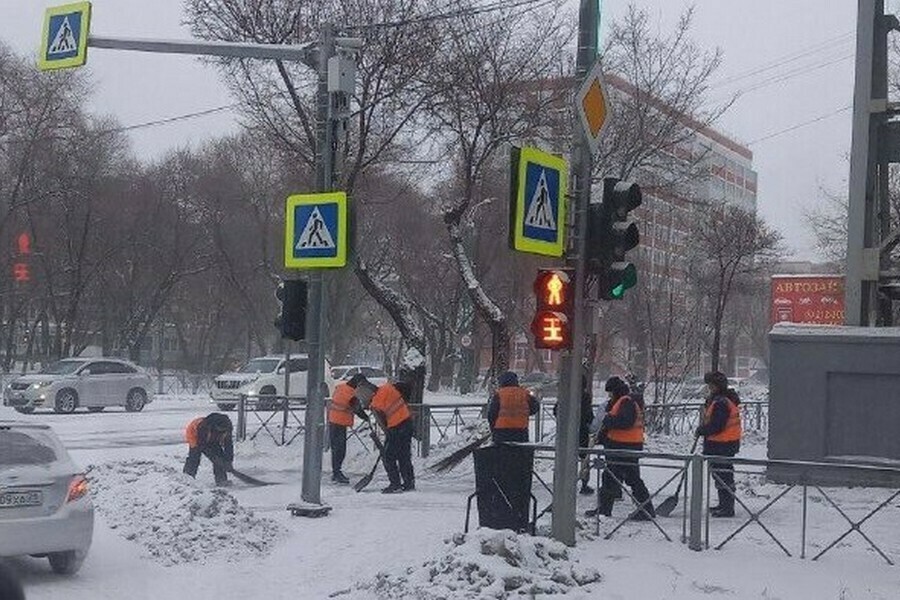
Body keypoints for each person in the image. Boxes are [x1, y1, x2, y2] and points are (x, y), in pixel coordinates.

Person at [588, 376, 654, 520]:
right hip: (624, 445)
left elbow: (624, 422)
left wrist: (606, 418)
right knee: (612, 477)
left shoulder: (626, 402)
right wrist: (602, 437)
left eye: (610, 392)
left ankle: (645, 509)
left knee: (629, 479)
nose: (609, 395)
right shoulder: (622, 402)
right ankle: (606, 509)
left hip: (625, 446)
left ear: (615, 391)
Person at [695, 371, 742, 517]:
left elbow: (717, 425)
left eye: (711, 385)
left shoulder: (721, 402)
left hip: (721, 444)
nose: (709, 388)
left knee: (723, 475)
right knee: (721, 475)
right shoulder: (722, 400)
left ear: (717, 386)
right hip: (724, 444)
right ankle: (724, 504)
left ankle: (727, 508)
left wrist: (702, 430)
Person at [369, 380, 415, 493]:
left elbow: (380, 419)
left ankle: (395, 484)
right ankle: (409, 483)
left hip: (396, 427)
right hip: (407, 423)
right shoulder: (388, 388)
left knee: (388, 456)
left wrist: (388, 431)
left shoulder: (376, 401)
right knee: (404, 455)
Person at [328, 373, 370, 484]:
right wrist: (366, 418)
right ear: (358, 383)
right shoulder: (350, 394)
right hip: (340, 423)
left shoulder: (341, 387)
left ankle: (335, 472)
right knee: (340, 450)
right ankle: (337, 473)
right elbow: (357, 409)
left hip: (332, 420)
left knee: (335, 448)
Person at [487, 371, 539, 444]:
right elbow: (535, 408)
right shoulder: (524, 393)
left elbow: (492, 414)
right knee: (519, 453)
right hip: (521, 431)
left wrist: (493, 430)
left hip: (501, 432)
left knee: (503, 454)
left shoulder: (499, 394)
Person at [183, 412, 234, 486]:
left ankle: (221, 480)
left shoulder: (227, 427)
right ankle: (187, 478)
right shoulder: (203, 427)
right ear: (215, 426)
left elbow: (228, 445)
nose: (223, 431)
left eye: (223, 430)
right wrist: (214, 458)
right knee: (194, 457)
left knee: (220, 456)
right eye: (220, 430)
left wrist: (228, 461)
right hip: (195, 435)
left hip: (212, 438)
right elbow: (203, 446)